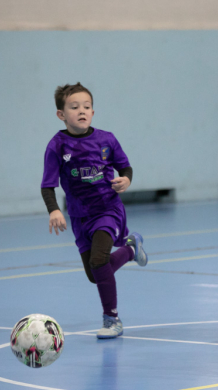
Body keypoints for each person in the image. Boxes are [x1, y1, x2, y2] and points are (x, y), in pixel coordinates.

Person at [41, 82, 148, 339]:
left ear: (93, 111)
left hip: (108, 209)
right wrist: (54, 210)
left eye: (86, 106)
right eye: (74, 107)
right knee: (94, 274)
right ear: (61, 114)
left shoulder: (106, 139)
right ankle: (131, 249)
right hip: (80, 217)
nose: (82, 111)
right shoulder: (57, 146)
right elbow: (47, 185)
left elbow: (125, 167)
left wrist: (126, 180)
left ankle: (111, 319)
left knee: (99, 262)